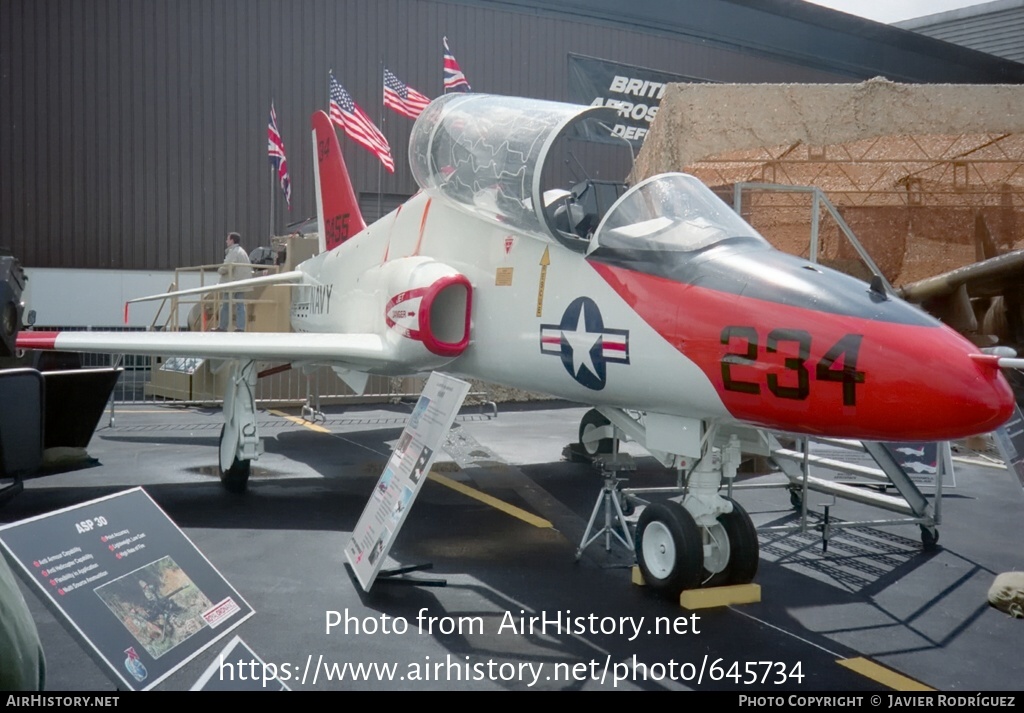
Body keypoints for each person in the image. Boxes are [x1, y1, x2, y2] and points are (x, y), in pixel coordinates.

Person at [216, 232, 252, 331]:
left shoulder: (234, 252)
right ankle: (240, 328)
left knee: (226, 305)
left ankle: (223, 327)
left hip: (232, 283)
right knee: (240, 305)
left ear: (232, 240)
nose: (226, 241)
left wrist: (219, 270)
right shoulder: (242, 251)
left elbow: (227, 267)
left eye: (228, 239)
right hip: (241, 283)